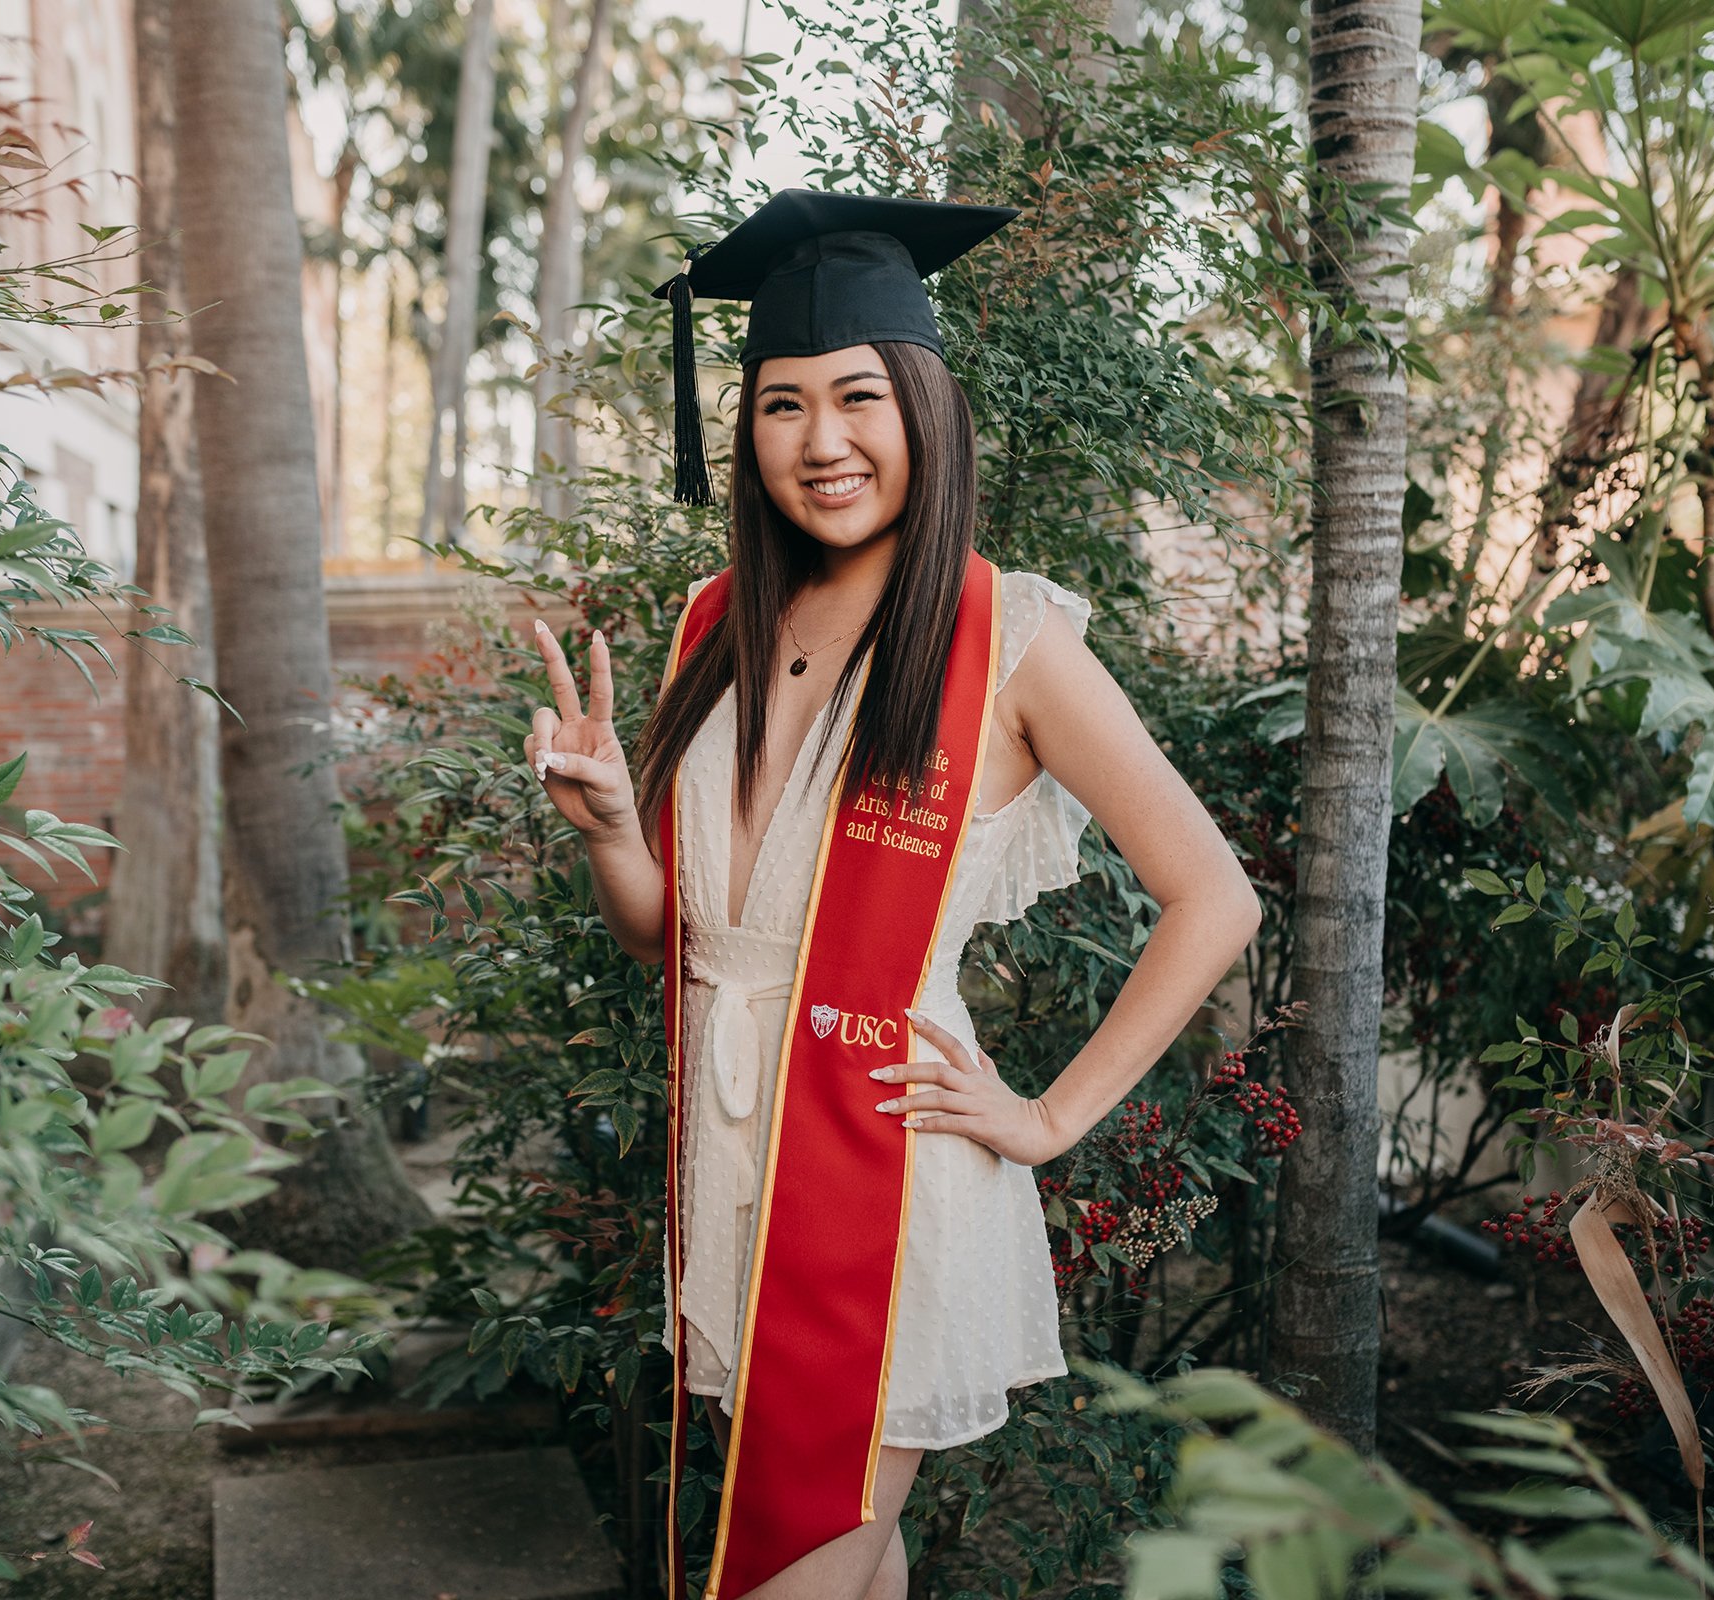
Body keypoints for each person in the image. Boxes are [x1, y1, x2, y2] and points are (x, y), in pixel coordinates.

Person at [521, 190, 1262, 1600]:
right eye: (782, 403)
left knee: (797, 1557)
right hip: (736, 1169)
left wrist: (1047, 1120)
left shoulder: (1011, 639)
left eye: (858, 396)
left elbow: (1213, 895)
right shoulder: (712, 623)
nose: (822, 441)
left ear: (923, 406)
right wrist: (615, 824)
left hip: (884, 1174)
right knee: (857, 1557)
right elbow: (677, 942)